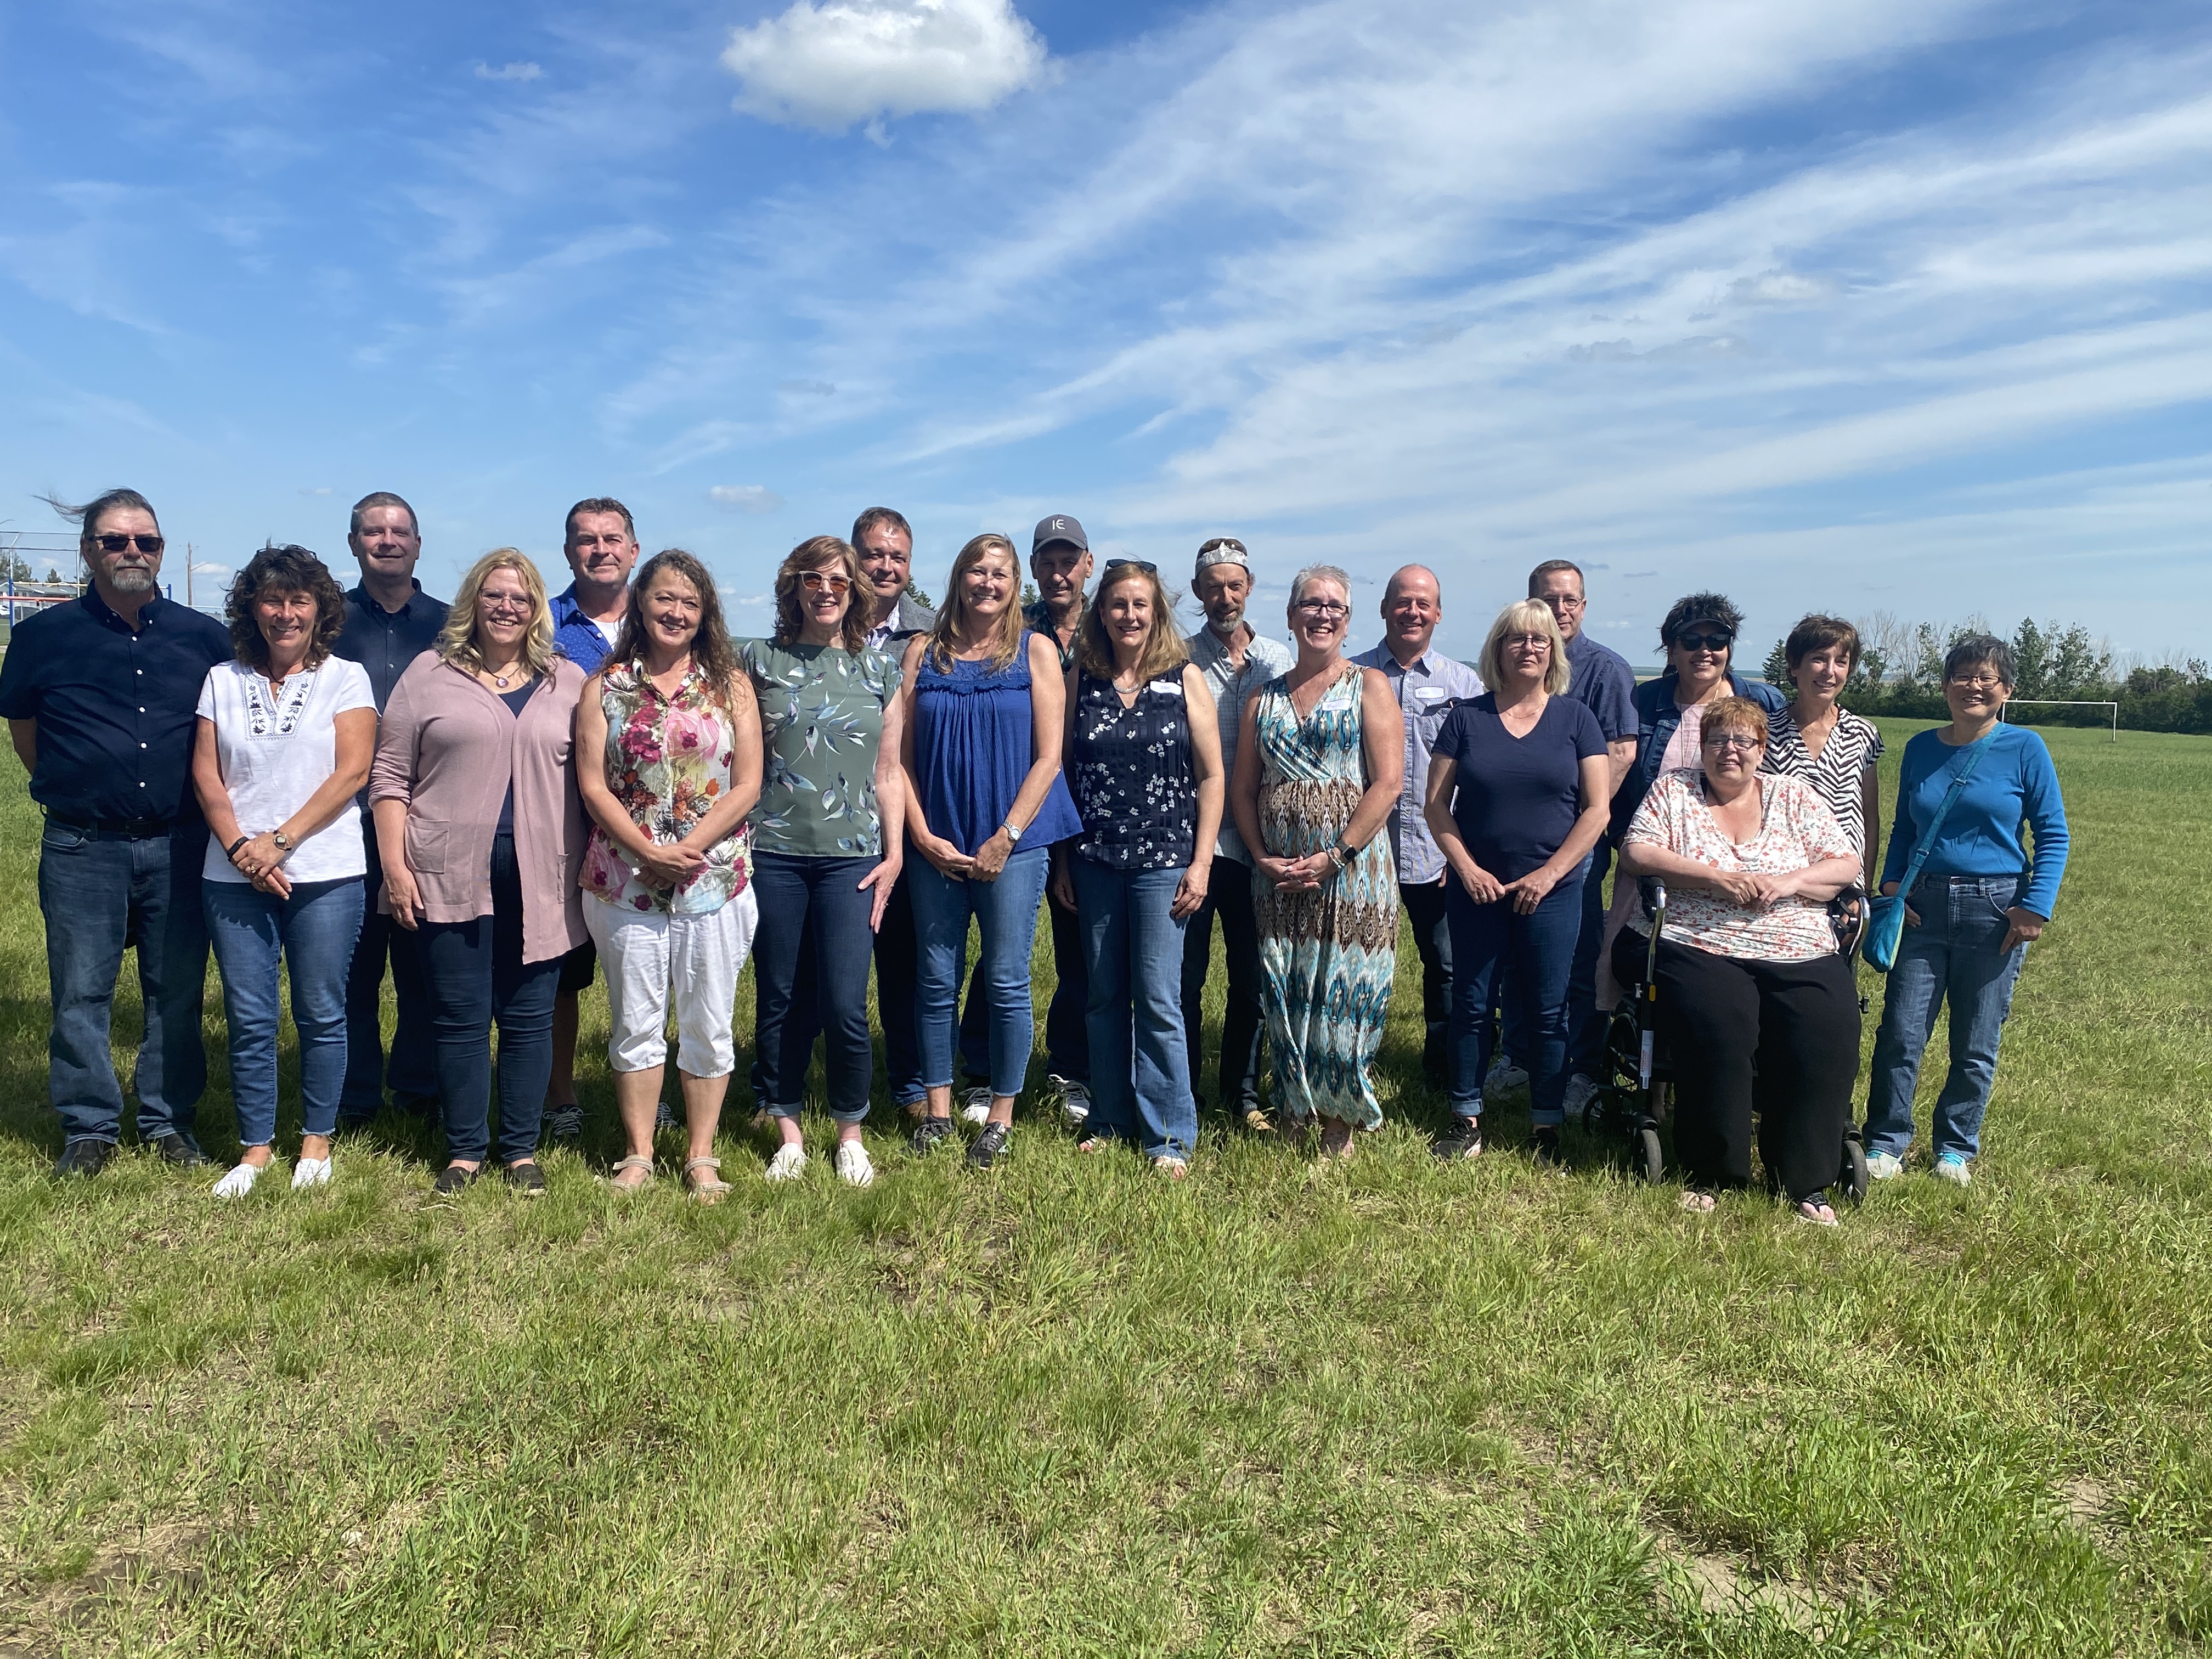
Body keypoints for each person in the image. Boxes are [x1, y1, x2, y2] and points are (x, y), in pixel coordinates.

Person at [1, 489, 230, 1177]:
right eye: (115, 541)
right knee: (80, 992)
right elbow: (26, 733)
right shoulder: (42, 638)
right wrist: (81, 790)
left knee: (176, 992)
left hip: (181, 842)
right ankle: (89, 1126)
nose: (133, 552)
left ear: (161, 550)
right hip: (83, 845)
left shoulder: (203, 638)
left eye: (146, 542)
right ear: (88, 551)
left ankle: (168, 1120)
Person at [369, 550, 588, 1195]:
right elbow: (390, 777)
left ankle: (520, 1149)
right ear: (473, 601)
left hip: (543, 874)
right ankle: (465, 1149)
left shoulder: (567, 681)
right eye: (494, 595)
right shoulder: (431, 674)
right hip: (446, 870)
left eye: (520, 598)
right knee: (459, 1017)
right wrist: (395, 867)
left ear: (537, 608)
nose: (506, 608)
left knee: (530, 1017)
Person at [1615, 697, 1864, 1224]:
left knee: (1826, 1023)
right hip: (1698, 938)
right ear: (1702, 748)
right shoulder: (1674, 790)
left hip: (1794, 941)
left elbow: (1846, 862)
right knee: (1721, 1020)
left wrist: (1790, 882)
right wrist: (1716, 878)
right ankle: (1712, 1172)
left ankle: (1805, 1179)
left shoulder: (1793, 795)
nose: (1730, 750)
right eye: (1718, 740)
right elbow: (1637, 852)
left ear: (1761, 749)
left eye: (1743, 741)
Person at [577, 550, 764, 1200]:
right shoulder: (605, 687)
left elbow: (748, 784)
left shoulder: (731, 686)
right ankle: (638, 1154)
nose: (676, 612)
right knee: (636, 1020)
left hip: (712, 881)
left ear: (705, 613)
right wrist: (645, 851)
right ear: (639, 603)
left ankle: (701, 1155)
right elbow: (592, 785)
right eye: (664, 598)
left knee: (709, 1020)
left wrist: (686, 848)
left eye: (689, 602)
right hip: (625, 882)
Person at [193, 546, 376, 1195]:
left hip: (325, 872)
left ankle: (316, 1143)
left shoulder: (346, 678)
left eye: (300, 600)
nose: (286, 613)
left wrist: (280, 842)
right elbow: (206, 775)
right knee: (249, 1016)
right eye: (273, 600)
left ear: (320, 610)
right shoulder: (222, 679)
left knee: (321, 1011)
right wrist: (242, 849)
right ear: (252, 608)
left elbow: (352, 772)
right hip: (233, 875)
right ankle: (256, 1149)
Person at [900, 532, 1084, 1170]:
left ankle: (1001, 1115)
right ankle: (939, 1112)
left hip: (1014, 844)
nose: (987, 582)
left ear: (1015, 584)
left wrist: (1006, 836)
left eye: (1000, 573)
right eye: (977, 571)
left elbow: (1050, 757)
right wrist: (920, 834)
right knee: (936, 979)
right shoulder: (923, 652)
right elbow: (900, 760)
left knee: (1006, 979)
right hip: (936, 845)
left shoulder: (1035, 651)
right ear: (959, 578)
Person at [1863, 636, 2069, 1186]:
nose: (1974, 687)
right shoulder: (1921, 748)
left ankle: (1954, 1148)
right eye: (1962, 676)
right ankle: (1886, 1140)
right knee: (1901, 1033)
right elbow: (1905, 827)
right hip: (1922, 907)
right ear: (1945, 686)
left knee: (1976, 1041)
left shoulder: (2025, 748)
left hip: (1995, 908)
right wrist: (1892, 885)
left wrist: (2035, 908)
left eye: (1987, 678)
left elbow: (2053, 833)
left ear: (2007, 689)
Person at [1051, 558, 1224, 1175]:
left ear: (1157, 613)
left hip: (1164, 863)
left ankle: (1169, 1136)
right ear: (1101, 612)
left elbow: (1211, 775)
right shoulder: (1082, 677)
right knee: (1103, 997)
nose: (1129, 615)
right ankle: (1109, 1117)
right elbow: (1061, 770)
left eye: (1140, 604)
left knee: (1157, 999)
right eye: (1118, 604)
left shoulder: (1184, 678)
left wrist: (1201, 864)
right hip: (1094, 860)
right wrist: (1063, 859)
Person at [740, 536, 904, 1187]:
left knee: (844, 1003)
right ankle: (787, 1132)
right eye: (814, 578)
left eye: (839, 580)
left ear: (856, 590)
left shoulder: (880, 671)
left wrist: (895, 854)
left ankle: (850, 1135)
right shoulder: (758, 661)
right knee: (779, 997)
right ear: (795, 587)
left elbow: (889, 773)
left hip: (851, 860)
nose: (827, 590)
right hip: (773, 855)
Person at [1423, 601, 1610, 1163]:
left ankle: (1546, 1126)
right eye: (1517, 639)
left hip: (1552, 892)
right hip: (1477, 890)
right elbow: (1436, 806)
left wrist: (1550, 875)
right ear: (1498, 649)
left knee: (1549, 1009)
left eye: (1540, 640)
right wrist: (1466, 868)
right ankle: (1465, 1118)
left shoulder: (1577, 719)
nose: (1529, 648)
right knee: (1473, 1004)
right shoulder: (1466, 718)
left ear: (1553, 652)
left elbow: (1597, 810)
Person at [1231, 565, 1402, 1157]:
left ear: (1348, 622)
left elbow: (1388, 783)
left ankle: (1339, 1120)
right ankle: (1295, 1107)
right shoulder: (1263, 699)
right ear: (1291, 616)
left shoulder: (1369, 686)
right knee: (1288, 990)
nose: (1322, 615)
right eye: (1311, 604)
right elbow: (1244, 789)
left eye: (1334, 607)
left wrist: (1336, 854)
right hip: (1279, 876)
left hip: (1353, 872)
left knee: (1345, 993)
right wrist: (1261, 857)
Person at [1599, 592, 1786, 1005]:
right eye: (1691, 641)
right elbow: (1619, 779)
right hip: (1655, 868)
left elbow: (1782, 783)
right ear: (1671, 649)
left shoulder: (1764, 703)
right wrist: (1624, 838)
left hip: (1741, 871)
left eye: (1717, 640)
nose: (1705, 651)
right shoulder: (1643, 703)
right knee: (1634, 977)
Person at [332, 491, 448, 1130]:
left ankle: (419, 1087)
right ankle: (355, 1094)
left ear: (418, 544)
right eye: (373, 532)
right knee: (351, 967)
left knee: (423, 965)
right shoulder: (329, 621)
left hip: (428, 818)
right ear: (354, 543)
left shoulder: (453, 626)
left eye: (399, 531)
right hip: (341, 819)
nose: (387, 541)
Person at [1352, 565, 1482, 1085]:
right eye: (1403, 602)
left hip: (1435, 853)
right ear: (1384, 609)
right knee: (1357, 960)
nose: (1413, 612)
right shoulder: (1352, 676)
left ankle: (1442, 1070)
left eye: (1423, 603)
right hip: (1365, 852)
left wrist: (1462, 853)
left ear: (1438, 613)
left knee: (1446, 963)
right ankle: (1351, 1063)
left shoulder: (1463, 684)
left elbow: (1478, 775)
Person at [1178, 537, 1292, 1131]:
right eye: (1214, 587)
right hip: (1197, 843)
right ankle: (1184, 1089)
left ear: (1249, 588)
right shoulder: (1179, 658)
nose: (1225, 597)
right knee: (1185, 980)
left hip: (1260, 845)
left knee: (1253, 979)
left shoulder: (1278, 658)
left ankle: (1244, 1094)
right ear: (1198, 592)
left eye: (1235, 585)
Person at [543, 496, 643, 1141]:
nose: (600, 549)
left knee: (650, 967)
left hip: (655, 826)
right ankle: (561, 1098)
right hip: (563, 818)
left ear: (634, 549)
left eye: (612, 538)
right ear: (568, 552)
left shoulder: (664, 618)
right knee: (562, 968)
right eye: (586, 539)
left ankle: (651, 1089)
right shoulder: (542, 626)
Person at [1527, 559, 1639, 1112]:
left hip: (1578, 839)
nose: (1560, 610)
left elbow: (1621, 753)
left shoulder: (1605, 670)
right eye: (1549, 600)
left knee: (1579, 953)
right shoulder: (1519, 661)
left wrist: (1577, 827)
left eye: (1569, 600)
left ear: (1584, 606)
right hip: (1521, 837)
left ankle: (1583, 1066)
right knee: (1522, 950)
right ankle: (1521, 1054)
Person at [1003, 510, 1094, 1125]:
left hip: (1092, 810)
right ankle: (983, 1069)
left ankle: (1072, 1068)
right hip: (1019, 807)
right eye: (1048, 562)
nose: (1059, 573)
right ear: (1033, 568)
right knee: (1002, 952)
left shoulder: (1110, 626)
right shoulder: (1012, 628)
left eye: (1069, 561)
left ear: (1088, 564)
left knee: (1079, 955)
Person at [1760, 614, 1884, 867]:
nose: (1830, 671)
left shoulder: (1863, 734)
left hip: (1846, 878)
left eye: (1841, 662)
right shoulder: (1764, 732)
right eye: (1819, 659)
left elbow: (1869, 819)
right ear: (1795, 666)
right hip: (1783, 876)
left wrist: (1866, 884)